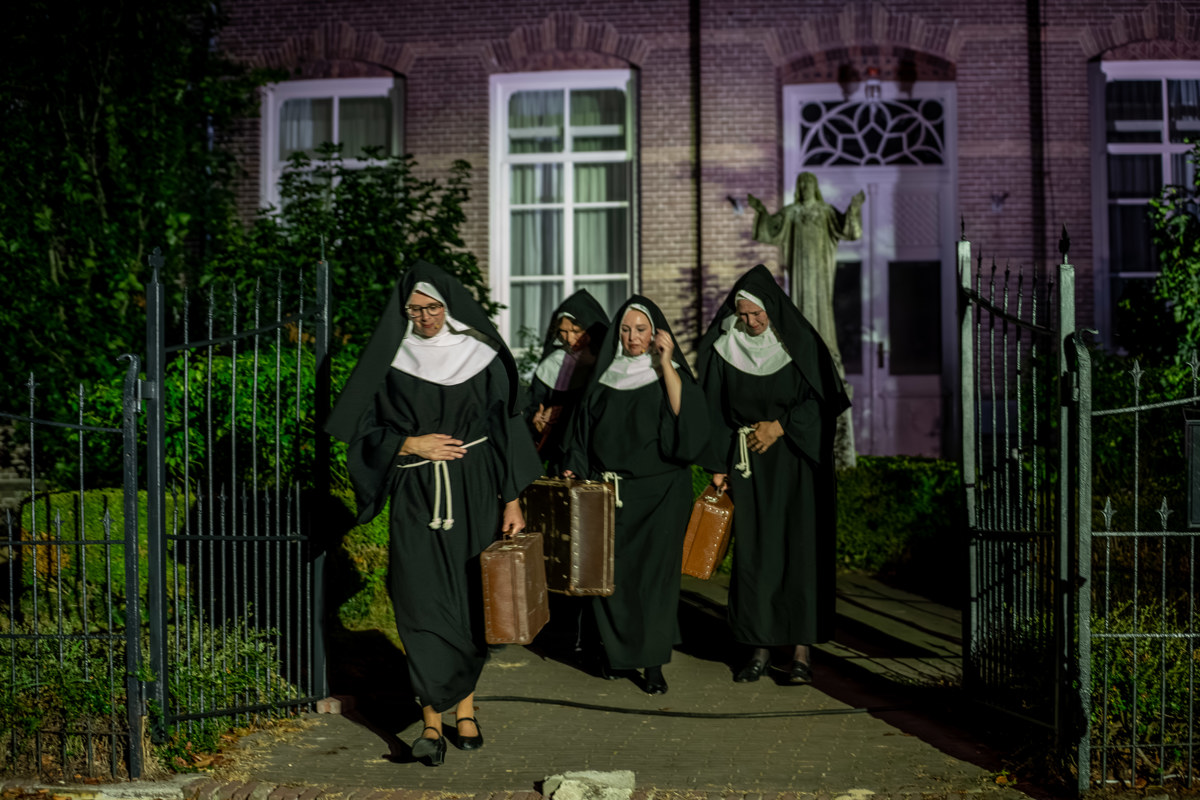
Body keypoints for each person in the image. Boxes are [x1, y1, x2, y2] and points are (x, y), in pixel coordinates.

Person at [325, 260, 542, 766]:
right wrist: (409, 443)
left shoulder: (481, 355)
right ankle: (429, 722)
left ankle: (464, 712)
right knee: (418, 602)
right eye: (414, 310)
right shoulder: (392, 360)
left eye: (432, 307)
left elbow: (507, 428)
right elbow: (362, 431)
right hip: (417, 492)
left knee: (469, 602)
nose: (424, 317)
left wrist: (512, 498)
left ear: (449, 306)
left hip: (475, 489)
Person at [695, 265, 850, 685]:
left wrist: (780, 427)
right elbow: (712, 409)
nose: (751, 322)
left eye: (757, 313)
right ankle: (759, 647)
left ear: (773, 309)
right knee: (756, 555)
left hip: (797, 464)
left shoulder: (800, 345)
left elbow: (825, 401)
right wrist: (718, 466)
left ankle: (800, 652)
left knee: (799, 552)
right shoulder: (725, 348)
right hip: (749, 465)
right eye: (743, 314)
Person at [560, 295, 709, 695]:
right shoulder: (606, 375)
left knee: (654, 582)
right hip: (610, 493)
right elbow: (581, 430)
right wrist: (574, 465)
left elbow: (686, 418)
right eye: (625, 330)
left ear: (655, 332)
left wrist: (666, 362)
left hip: (660, 494)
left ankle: (653, 663)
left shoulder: (668, 372)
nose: (632, 337)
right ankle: (618, 654)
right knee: (613, 579)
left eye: (641, 329)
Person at [748, 171, 863, 469]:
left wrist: (854, 208)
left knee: (821, 312)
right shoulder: (793, 213)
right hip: (799, 275)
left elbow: (848, 230)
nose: (805, 187)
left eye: (809, 183)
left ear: (815, 187)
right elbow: (770, 230)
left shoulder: (825, 212)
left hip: (820, 275)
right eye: (802, 184)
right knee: (800, 311)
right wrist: (761, 212)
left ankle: (825, 352)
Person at [524, 289, 609, 474]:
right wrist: (537, 419)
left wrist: (564, 413)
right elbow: (533, 404)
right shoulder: (553, 363)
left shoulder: (606, 365)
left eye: (576, 332)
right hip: (559, 458)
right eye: (563, 332)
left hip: (595, 458)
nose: (569, 339)